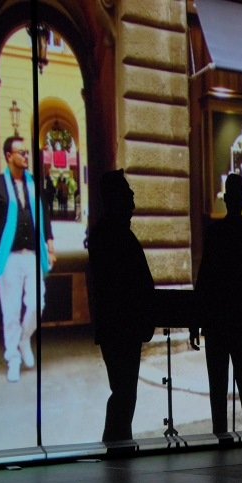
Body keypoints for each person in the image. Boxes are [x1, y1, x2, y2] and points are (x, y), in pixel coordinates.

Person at [87, 169, 156, 446]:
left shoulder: (106, 234)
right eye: (127, 192)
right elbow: (129, 285)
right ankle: (117, 446)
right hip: (122, 327)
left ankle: (118, 444)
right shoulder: (115, 236)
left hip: (119, 327)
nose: (132, 198)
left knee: (123, 392)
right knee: (124, 392)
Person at [0, 136, 56, 383]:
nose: (26, 156)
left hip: (32, 254)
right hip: (9, 257)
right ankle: (12, 358)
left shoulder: (33, 184)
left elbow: (44, 216)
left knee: (36, 303)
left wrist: (50, 246)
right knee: (11, 310)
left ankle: (24, 339)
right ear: (8, 156)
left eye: (26, 152)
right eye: (21, 152)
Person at [195, 173, 242, 437]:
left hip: (216, 320)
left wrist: (196, 319)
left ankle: (221, 438)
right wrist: (239, 292)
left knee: (218, 386)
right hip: (240, 320)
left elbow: (203, 281)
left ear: (225, 199)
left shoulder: (214, 234)